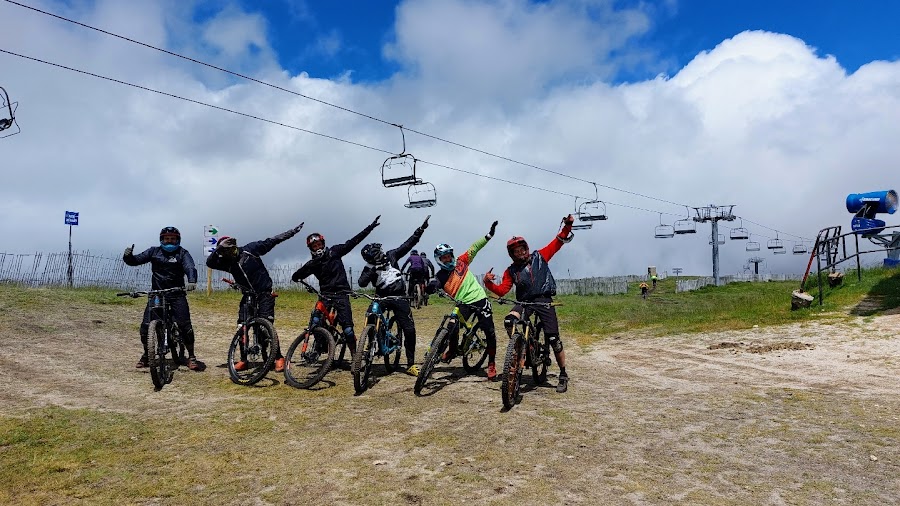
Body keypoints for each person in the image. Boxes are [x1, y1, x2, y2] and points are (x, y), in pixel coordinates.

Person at [483, 215, 575, 393]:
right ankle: (520, 346)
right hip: (524, 302)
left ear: (526, 248)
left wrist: (568, 226)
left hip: (543, 300)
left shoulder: (540, 256)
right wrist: (488, 283)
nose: (520, 252)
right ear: (511, 254)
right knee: (509, 321)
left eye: (522, 248)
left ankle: (563, 374)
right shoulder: (511, 271)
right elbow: (502, 290)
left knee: (554, 339)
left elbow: (558, 241)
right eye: (516, 251)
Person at [206, 222, 304, 373]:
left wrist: (292, 232)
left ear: (234, 247)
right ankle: (244, 359)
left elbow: (272, 240)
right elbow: (209, 262)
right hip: (247, 296)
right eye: (223, 252)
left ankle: (278, 357)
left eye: (229, 250)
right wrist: (218, 249)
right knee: (242, 326)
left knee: (266, 326)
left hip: (265, 293)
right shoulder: (227, 263)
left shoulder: (250, 250)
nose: (227, 254)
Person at [291, 216, 381, 358]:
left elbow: (353, 242)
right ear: (310, 249)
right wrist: (297, 278)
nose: (318, 248)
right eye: (314, 246)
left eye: (319, 244)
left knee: (348, 330)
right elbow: (297, 275)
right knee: (315, 322)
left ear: (323, 243)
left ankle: (354, 356)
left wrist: (369, 228)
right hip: (325, 295)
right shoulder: (313, 263)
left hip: (341, 293)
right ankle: (319, 347)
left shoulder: (335, 251)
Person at [426, 221, 500, 380]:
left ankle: (492, 362)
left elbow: (475, 247)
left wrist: (489, 235)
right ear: (439, 260)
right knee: (452, 326)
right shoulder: (440, 276)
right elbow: (434, 284)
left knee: (490, 331)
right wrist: (428, 289)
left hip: (480, 299)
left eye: (448, 256)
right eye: (443, 258)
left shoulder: (462, 261)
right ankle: (452, 350)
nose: (447, 259)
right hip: (462, 304)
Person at [357, 216, 430, 376]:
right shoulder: (369, 267)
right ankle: (371, 345)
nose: (381, 255)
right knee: (370, 315)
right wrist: (373, 268)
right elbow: (362, 282)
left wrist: (420, 230)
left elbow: (407, 245)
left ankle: (410, 364)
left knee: (409, 330)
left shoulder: (391, 256)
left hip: (400, 297)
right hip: (381, 298)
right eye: (377, 254)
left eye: (380, 252)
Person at [123, 226, 203, 371]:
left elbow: (190, 267)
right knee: (146, 327)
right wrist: (128, 256)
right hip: (157, 294)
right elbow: (135, 261)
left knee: (185, 326)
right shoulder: (154, 251)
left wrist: (192, 280)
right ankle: (147, 355)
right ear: (162, 240)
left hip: (177, 294)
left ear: (178, 240)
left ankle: (191, 356)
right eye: (167, 239)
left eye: (173, 239)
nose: (170, 242)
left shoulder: (182, 253)